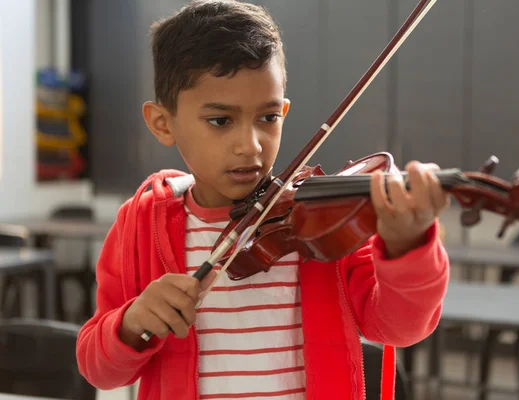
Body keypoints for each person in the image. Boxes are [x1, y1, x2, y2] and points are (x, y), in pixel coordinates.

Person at [76, 1, 450, 399]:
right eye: (221, 121)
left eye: (268, 118)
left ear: (284, 111)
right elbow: (99, 369)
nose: (250, 145)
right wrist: (130, 324)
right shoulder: (142, 224)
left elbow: (402, 327)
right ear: (162, 123)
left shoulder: (321, 225)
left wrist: (408, 246)